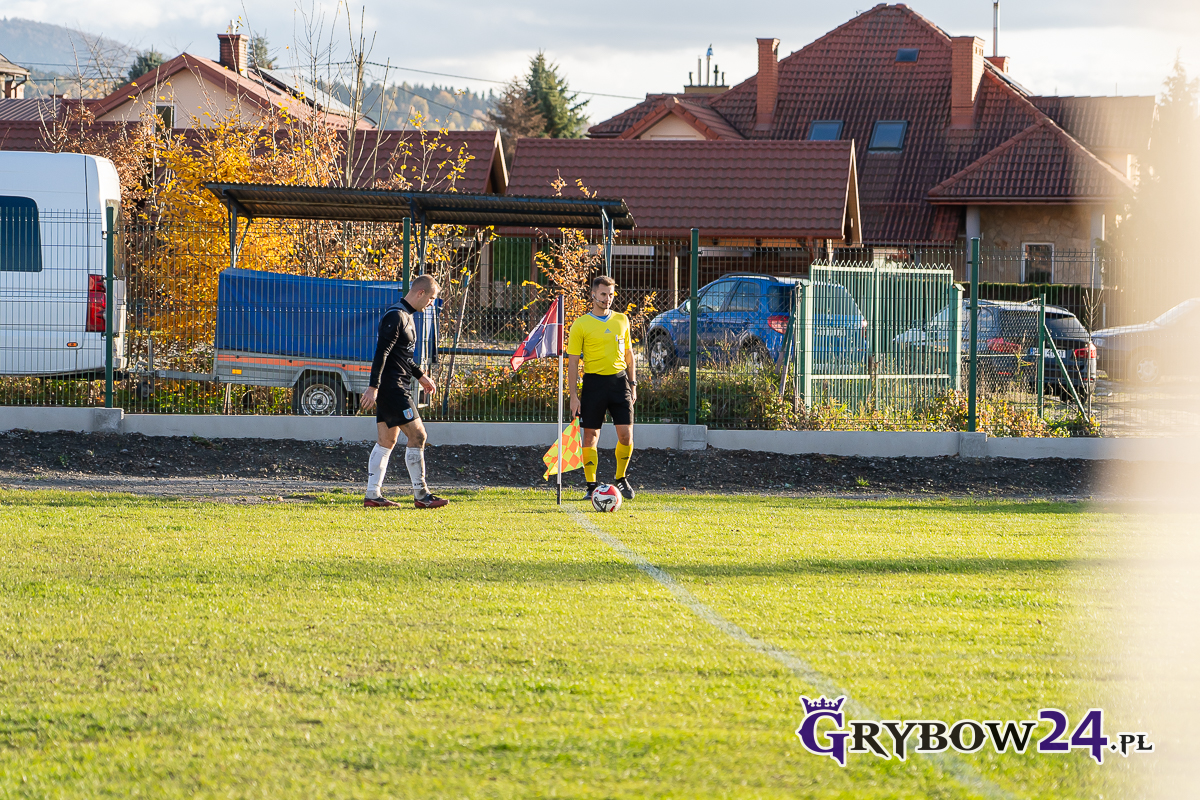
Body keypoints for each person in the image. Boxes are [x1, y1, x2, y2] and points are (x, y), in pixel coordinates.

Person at [359, 274, 448, 509]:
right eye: (431, 298)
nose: (431, 303)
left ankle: (372, 495)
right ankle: (422, 495)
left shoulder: (408, 316)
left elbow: (403, 357)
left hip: (395, 386)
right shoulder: (396, 316)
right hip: (393, 388)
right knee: (418, 436)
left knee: (387, 440)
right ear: (420, 293)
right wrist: (373, 387)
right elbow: (381, 352)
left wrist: (421, 376)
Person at [567, 275, 637, 501]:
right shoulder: (580, 324)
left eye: (611, 295)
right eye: (604, 294)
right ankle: (591, 485)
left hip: (619, 383)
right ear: (593, 294)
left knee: (626, 435)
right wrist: (573, 396)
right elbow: (573, 362)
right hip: (594, 384)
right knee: (590, 436)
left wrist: (633, 384)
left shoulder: (622, 320)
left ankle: (621, 478)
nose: (608, 299)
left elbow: (629, 355)